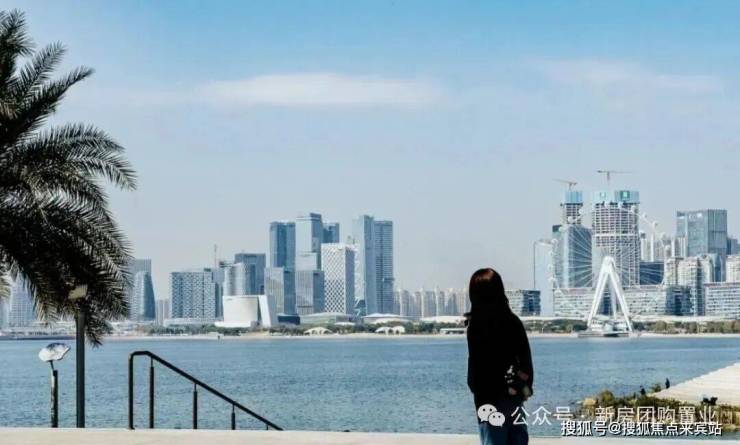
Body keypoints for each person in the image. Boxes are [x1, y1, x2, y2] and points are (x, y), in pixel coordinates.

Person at [466, 268, 533, 445]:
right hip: (515, 398)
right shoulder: (513, 321)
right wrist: (523, 387)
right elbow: (526, 359)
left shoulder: (477, 325)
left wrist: (475, 386)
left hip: (489, 400)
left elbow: (478, 366)